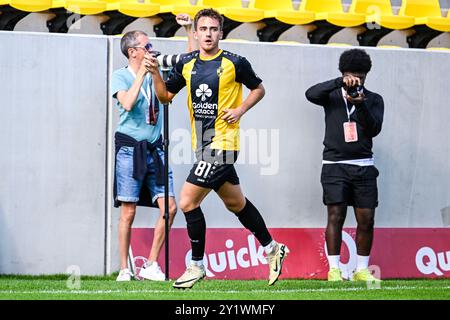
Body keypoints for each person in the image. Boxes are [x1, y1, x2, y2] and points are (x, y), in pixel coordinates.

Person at [148, 8, 289, 289]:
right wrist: (154, 73)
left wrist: (240, 110)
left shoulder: (235, 63)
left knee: (187, 201)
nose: (209, 34)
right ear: (197, 33)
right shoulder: (187, 63)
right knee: (235, 203)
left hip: (223, 143)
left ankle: (196, 265)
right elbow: (165, 97)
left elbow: (259, 89)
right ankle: (273, 249)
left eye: (214, 29)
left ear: (220, 33)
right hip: (202, 144)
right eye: (203, 29)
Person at [111, 14, 193, 282]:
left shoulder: (158, 69)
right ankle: (125, 268)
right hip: (129, 149)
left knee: (169, 208)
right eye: (147, 47)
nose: (152, 51)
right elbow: (127, 103)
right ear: (133, 52)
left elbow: (190, 61)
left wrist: (189, 29)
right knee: (129, 210)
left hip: (155, 148)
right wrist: (143, 74)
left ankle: (151, 264)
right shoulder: (120, 76)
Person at [305, 49, 384, 282]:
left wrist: (360, 105)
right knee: (335, 216)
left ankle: (361, 270)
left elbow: (374, 129)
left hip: (364, 166)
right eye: (352, 76)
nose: (356, 81)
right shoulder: (331, 95)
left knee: (366, 218)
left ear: (366, 76)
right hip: (334, 165)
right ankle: (335, 270)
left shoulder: (374, 99)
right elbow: (310, 93)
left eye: (360, 77)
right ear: (343, 73)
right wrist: (339, 82)